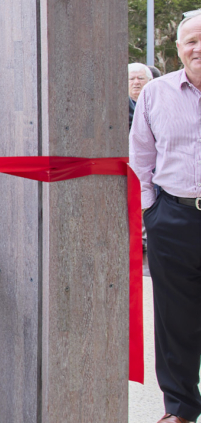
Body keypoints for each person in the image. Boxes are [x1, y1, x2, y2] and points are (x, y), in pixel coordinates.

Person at [132, 10, 201, 423]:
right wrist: (150, 211)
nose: (199, 48)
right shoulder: (156, 93)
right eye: (191, 41)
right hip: (173, 218)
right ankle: (179, 408)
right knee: (175, 319)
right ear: (178, 50)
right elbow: (141, 157)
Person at [129, 62, 153, 128]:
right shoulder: (119, 105)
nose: (136, 82)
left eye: (141, 78)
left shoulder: (157, 102)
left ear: (150, 81)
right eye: (131, 79)